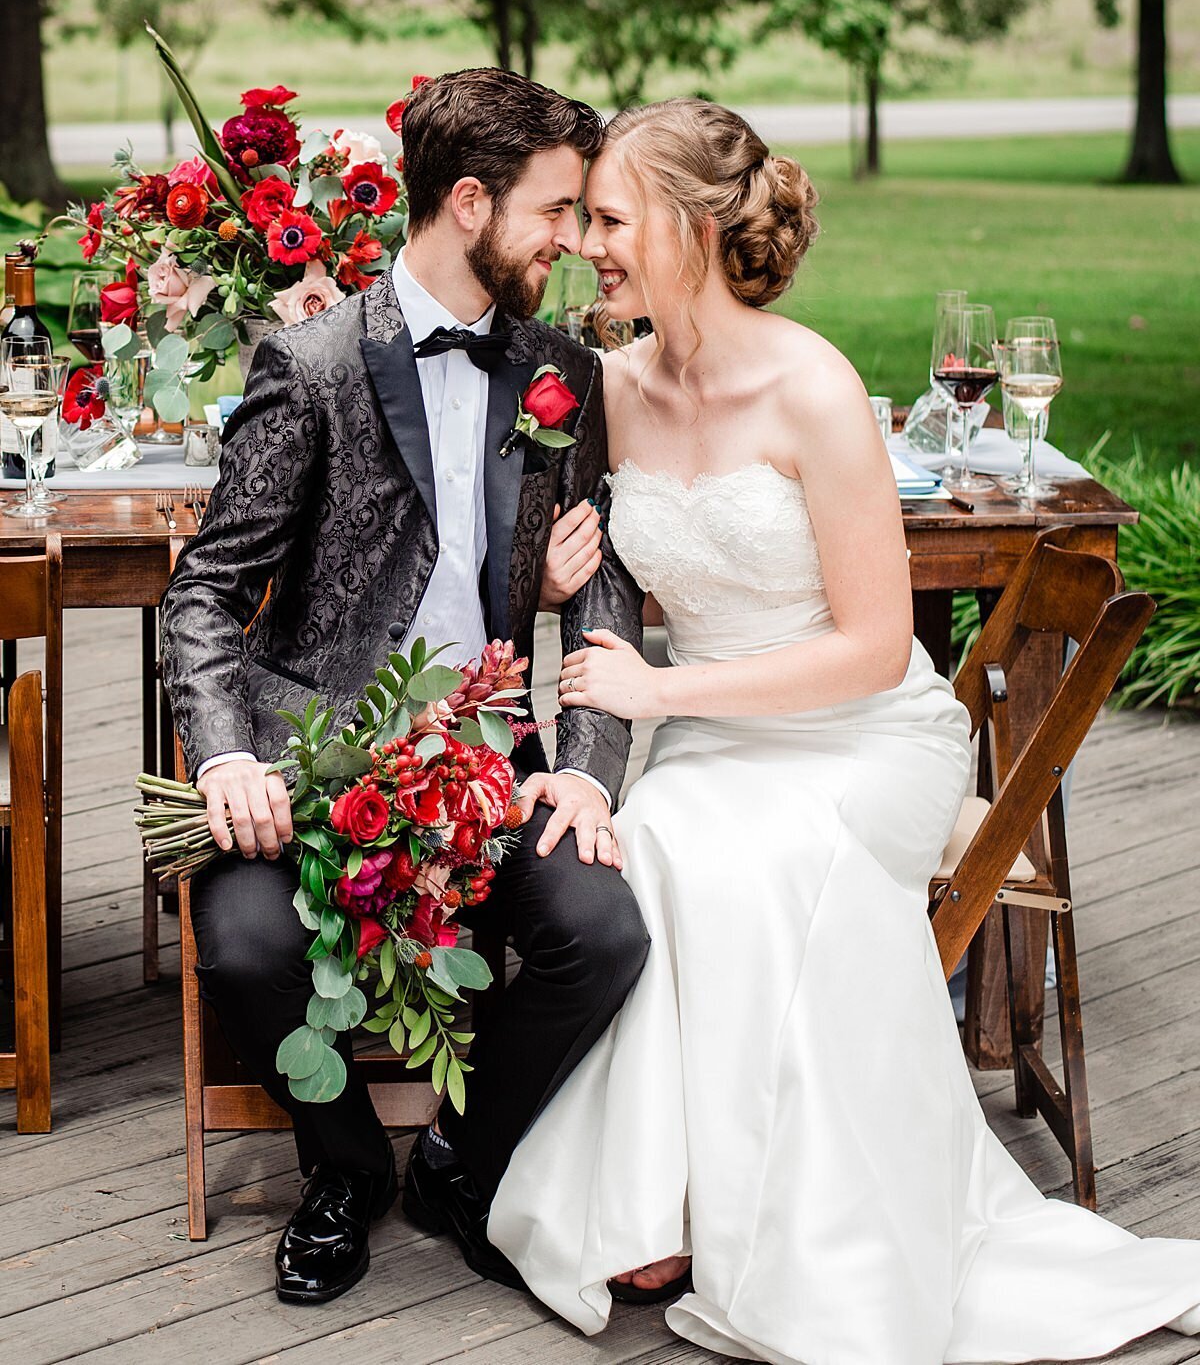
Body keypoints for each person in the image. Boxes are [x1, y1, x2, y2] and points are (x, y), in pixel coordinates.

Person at [488, 98, 1200, 1362]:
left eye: (610, 217)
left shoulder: (811, 385)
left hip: (863, 733)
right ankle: (667, 1206)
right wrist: (554, 586)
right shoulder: (605, 384)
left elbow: (876, 646)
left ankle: (797, 1233)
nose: (593, 242)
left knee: (757, 860)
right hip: (717, 731)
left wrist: (658, 696)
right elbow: (608, 576)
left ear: (692, 228)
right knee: (653, 844)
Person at [161, 68, 648, 1306]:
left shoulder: (561, 372)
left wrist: (588, 774)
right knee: (247, 944)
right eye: (556, 212)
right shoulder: (312, 364)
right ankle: (342, 1171)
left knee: (604, 935)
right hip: (310, 761)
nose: (573, 241)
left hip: (492, 756)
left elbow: (600, 594)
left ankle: (457, 1160)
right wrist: (225, 756)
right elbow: (208, 591)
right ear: (471, 202)